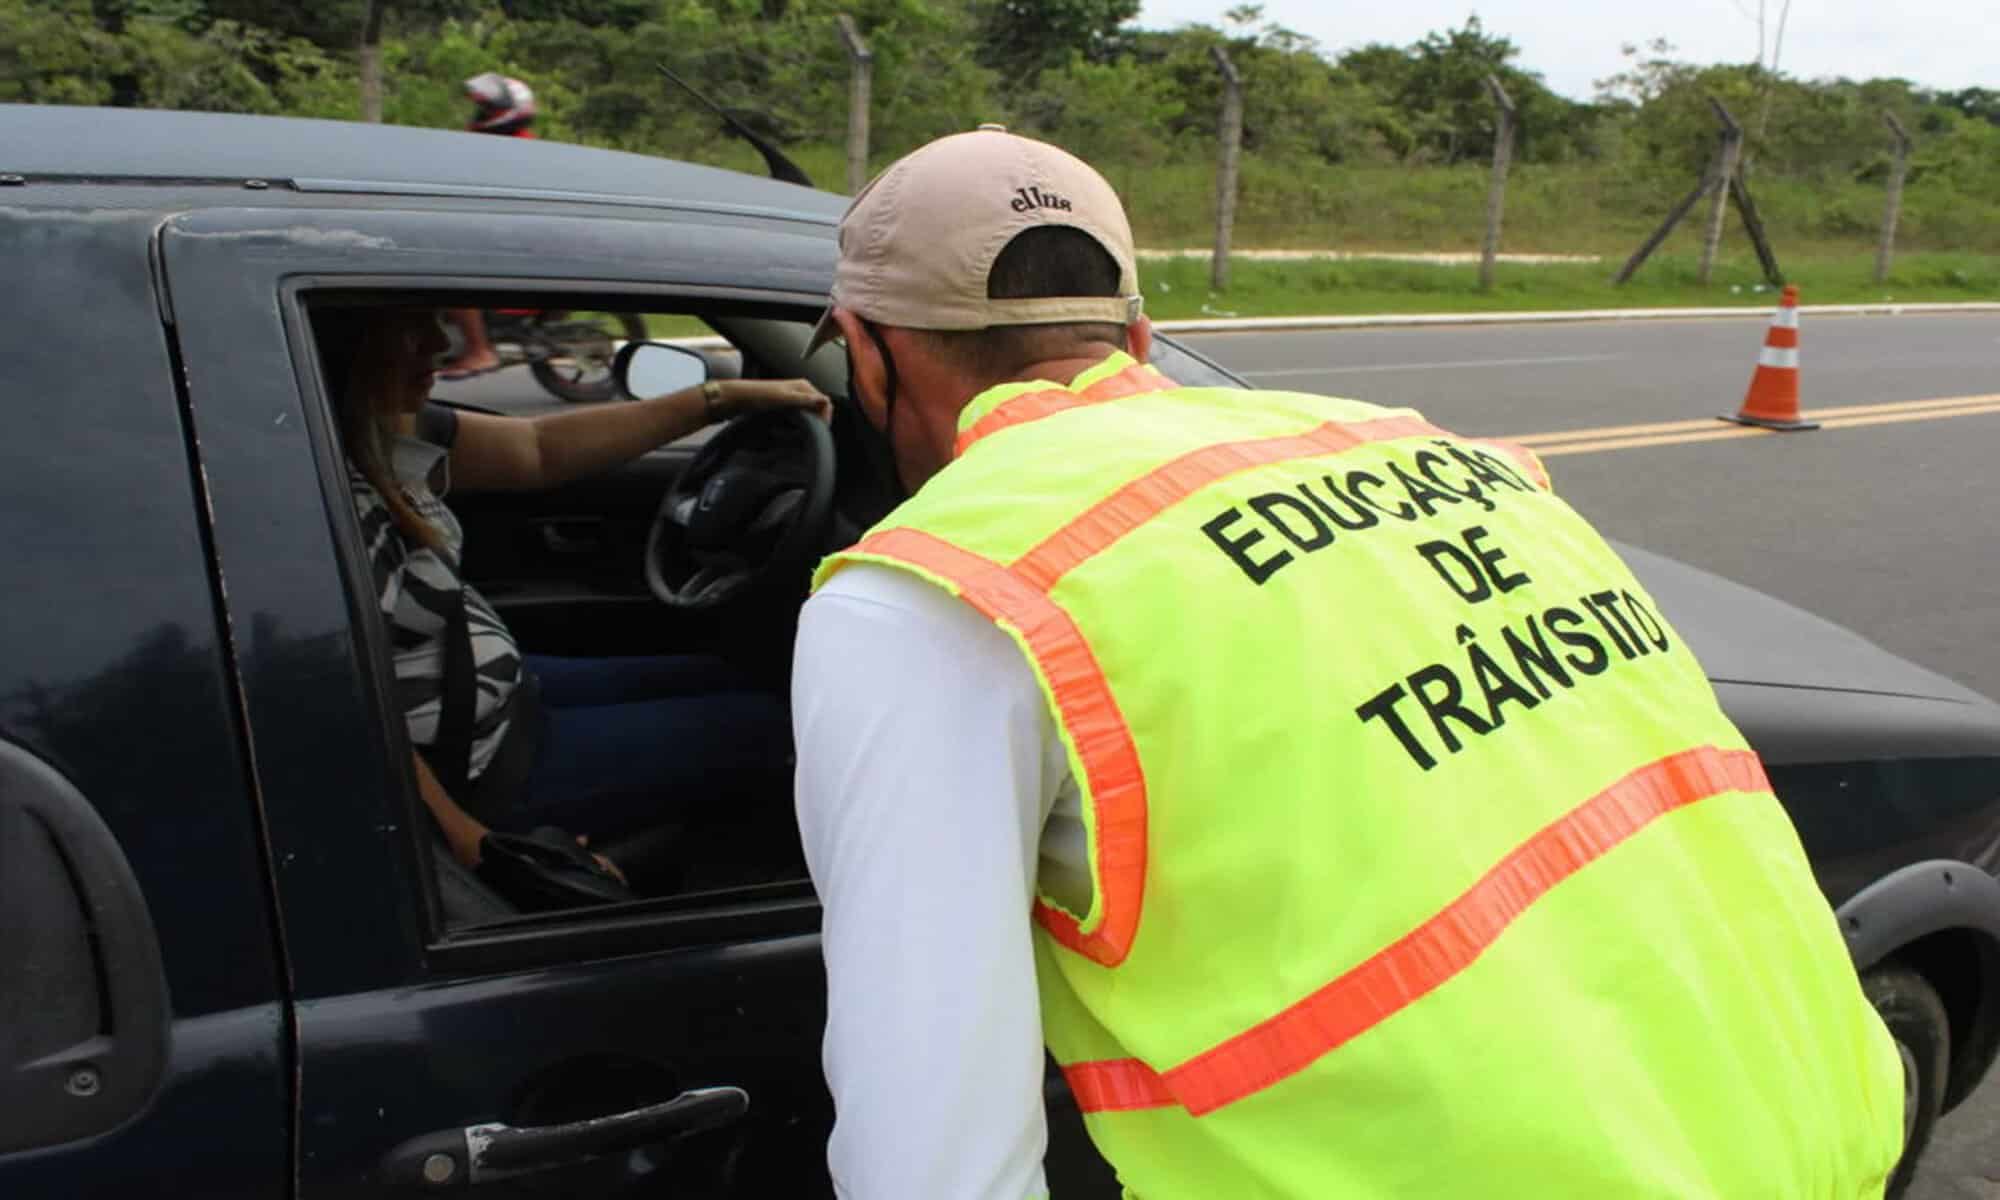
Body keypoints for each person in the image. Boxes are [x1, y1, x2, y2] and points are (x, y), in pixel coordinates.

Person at [789, 127, 1905, 1198]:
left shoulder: (943, 588)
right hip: (1816, 1138)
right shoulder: (1438, 456)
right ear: (1135, 335)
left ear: (868, 356)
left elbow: (931, 1149)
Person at [323, 307, 826, 882]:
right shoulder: (315, 486)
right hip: (484, 767)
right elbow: (352, 709)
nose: (440, 344)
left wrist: (720, 397)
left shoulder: (379, 431)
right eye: (410, 328)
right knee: (773, 728)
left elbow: (536, 448)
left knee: (741, 677)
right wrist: (475, 847)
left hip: (502, 698)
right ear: (348, 347)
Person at [440, 73, 539, 378]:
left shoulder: (518, 151)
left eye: (484, 110)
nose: (478, 116)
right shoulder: (495, 145)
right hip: (505, 234)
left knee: (449, 273)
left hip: (518, 240)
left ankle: (479, 351)